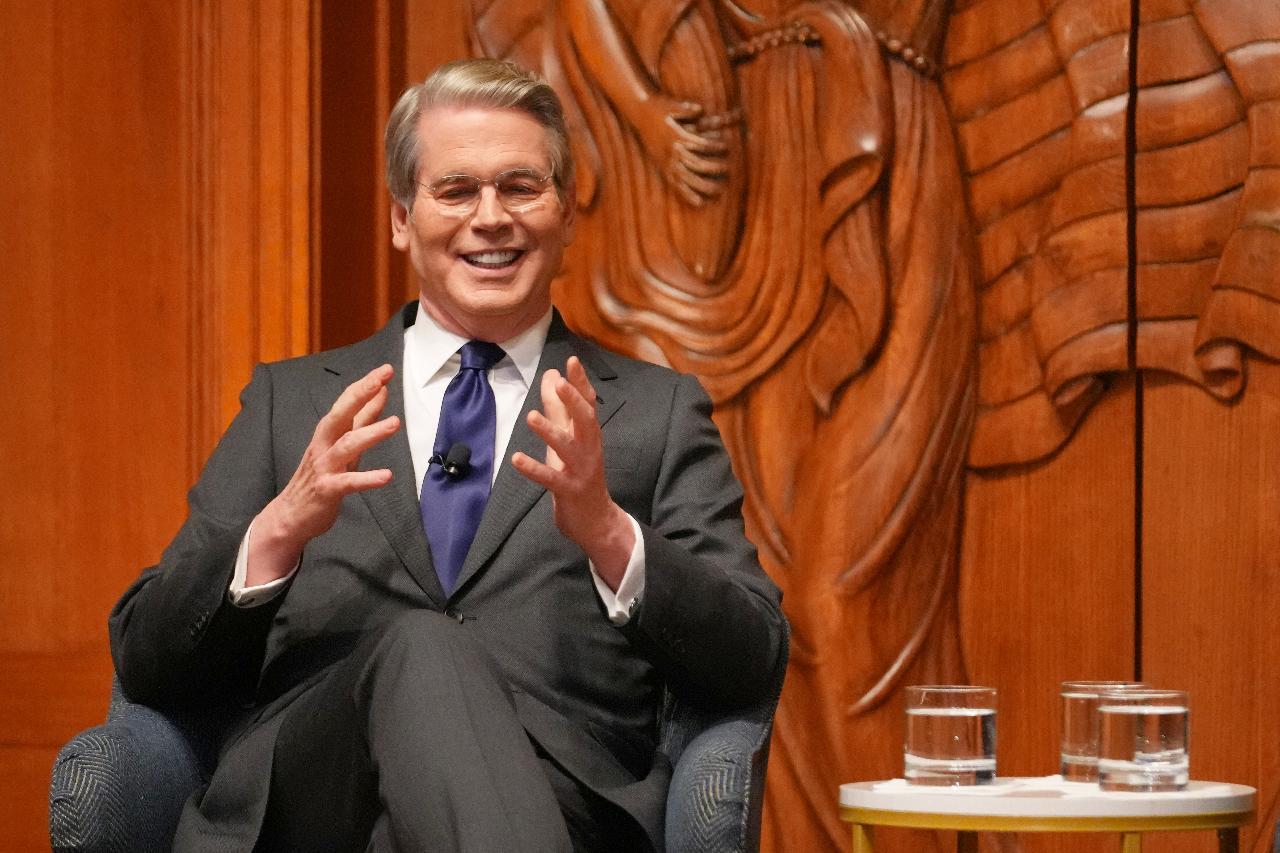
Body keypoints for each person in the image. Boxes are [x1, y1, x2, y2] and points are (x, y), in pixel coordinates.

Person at [108, 58, 785, 853]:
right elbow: (145, 654)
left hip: (556, 805)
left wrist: (609, 532)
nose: (490, 217)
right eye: (456, 190)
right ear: (402, 218)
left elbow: (753, 657)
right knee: (423, 644)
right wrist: (279, 528)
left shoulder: (656, 415)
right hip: (317, 802)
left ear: (566, 212)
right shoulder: (290, 406)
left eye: (520, 186)